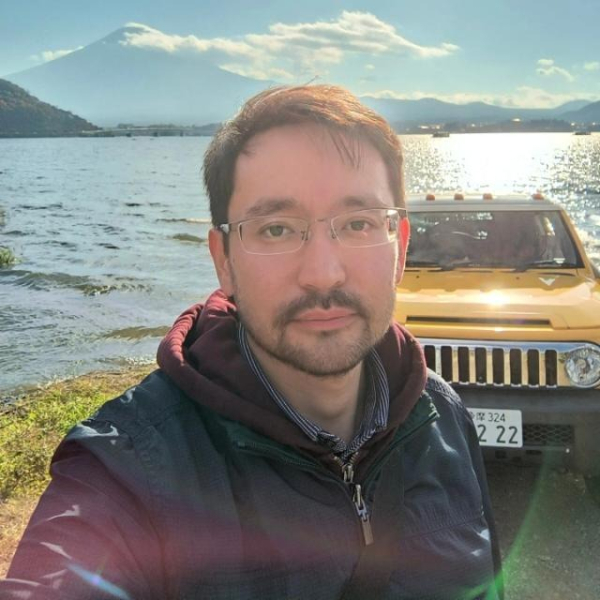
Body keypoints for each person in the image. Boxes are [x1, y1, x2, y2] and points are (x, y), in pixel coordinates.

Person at [1, 85, 503, 600]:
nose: (323, 274)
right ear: (223, 260)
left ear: (400, 247)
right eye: (276, 230)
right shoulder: (129, 467)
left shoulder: (443, 416)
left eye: (359, 224)